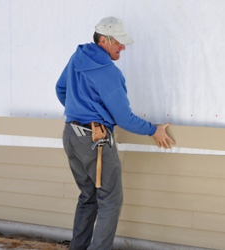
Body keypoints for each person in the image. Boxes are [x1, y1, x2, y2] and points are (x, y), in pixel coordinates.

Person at [55, 16, 175, 250]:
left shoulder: (77, 58)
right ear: (103, 40)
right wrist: (154, 130)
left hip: (71, 135)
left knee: (88, 197)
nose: (123, 47)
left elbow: (61, 90)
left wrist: (79, 110)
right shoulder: (108, 72)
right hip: (95, 140)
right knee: (110, 200)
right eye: (119, 42)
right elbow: (124, 118)